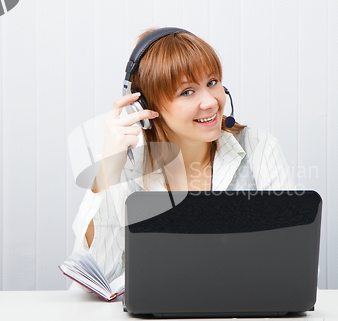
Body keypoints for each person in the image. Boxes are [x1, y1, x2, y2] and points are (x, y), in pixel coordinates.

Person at [70, 28, 295, 289]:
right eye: (187, 92)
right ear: (144, 107)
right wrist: (109, 169)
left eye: (212, 83)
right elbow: (94, 278)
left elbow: (294, 260)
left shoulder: (259, 147)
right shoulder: (123, 162)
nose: (210, 102)